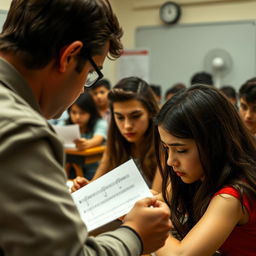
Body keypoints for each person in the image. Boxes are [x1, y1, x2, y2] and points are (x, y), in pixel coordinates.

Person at [0, 0, 171, 255]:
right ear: (69, 56)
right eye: (91, 73)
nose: (84, 89)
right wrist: (134, 234)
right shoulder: (23, 130)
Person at [154, 85, 256, 256]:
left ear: (214, 144)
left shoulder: (232, 196)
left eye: (181, 150)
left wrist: (142, 228)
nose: (171, 161)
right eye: (166, 148)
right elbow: (161, 199)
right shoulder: (197, 173)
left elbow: (182, 255)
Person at [72, 76, 162, 191]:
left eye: (135, 116)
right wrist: (86, 188)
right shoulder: (115, 145)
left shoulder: (163, 146)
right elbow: (96, 183)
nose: (127, 125)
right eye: (119, 117)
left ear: (150, 112)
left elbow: (158, 200)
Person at [66, 92, 107, 179]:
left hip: (94, 170)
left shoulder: (100, 123)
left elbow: (98, 138)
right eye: (73, 112)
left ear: (91, 112)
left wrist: (87, 143)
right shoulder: (65, 123)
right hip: (70, 169)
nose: (77, 117)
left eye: (82, 113)